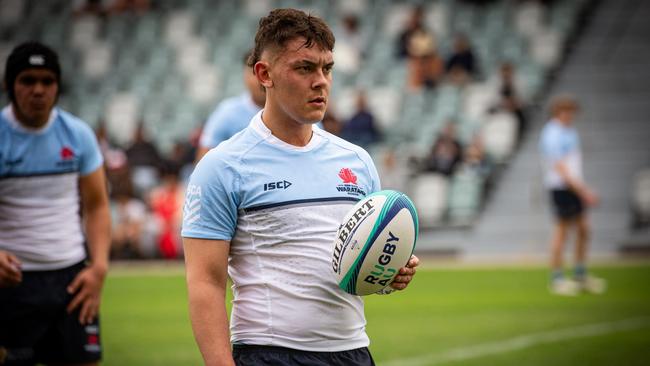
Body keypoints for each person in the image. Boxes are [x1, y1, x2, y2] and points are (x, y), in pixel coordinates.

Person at [181, 9, 419, 366]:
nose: (321, 81)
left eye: (327, 68)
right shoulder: (223, 166)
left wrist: (387, 271)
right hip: (269, 354)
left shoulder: (356, 160)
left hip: (353, 351)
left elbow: (354, 261)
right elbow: (205, 283)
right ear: (265, 74)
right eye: (305, 68)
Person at [0, 42, 111, 365]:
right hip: (11, 281)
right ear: (10, 85)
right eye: (28, 80)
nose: (38, 90)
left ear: (58, 86)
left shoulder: (77, 134)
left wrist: (99, 268)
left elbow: (97, 206)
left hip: (72, 279)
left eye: (47, 81)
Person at [539, 96, 605, 296]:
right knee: (562, 232)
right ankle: (557, 278)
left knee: (584, 230)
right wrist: (584, 190)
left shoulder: (570, 131)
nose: (571, 115)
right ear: (558, 111)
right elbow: (560, 167)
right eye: (567, 111)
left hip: (573, 187)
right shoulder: (552, 133)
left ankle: (580, 273)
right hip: (561, 187)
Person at [195, 51, 266, 162]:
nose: (259, 80)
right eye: (253, 73)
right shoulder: (228, 112)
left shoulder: (289, 112)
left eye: (265, 72)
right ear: (245, 77)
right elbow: (204, 156)